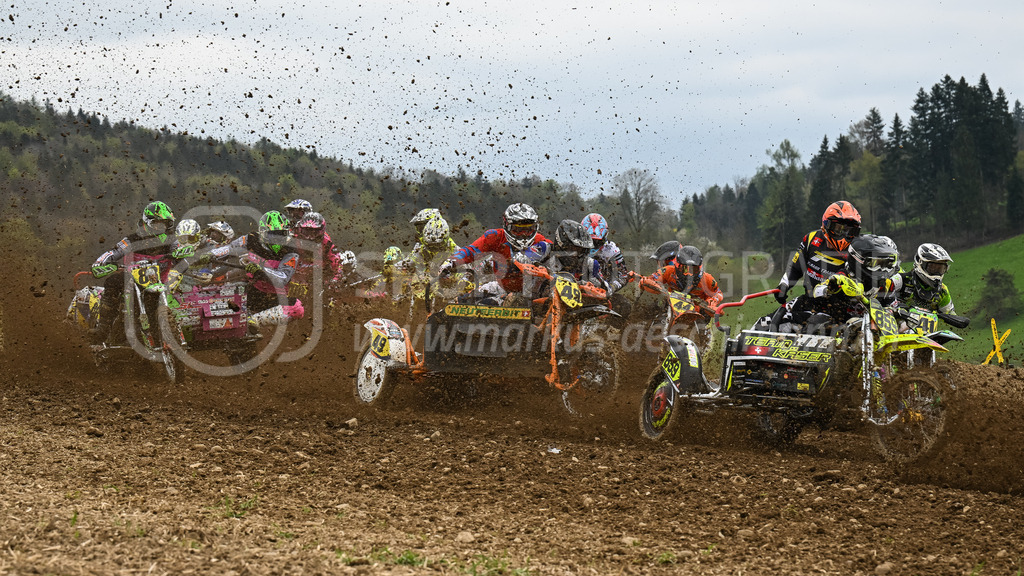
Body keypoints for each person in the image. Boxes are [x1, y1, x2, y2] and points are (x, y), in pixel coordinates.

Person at [88, 201, 176, 343]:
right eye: (156, 224)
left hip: (162, 284)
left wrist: (184, 252)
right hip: (134, 281)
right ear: (146, 222)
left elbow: (180, 250)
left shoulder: (170, 241)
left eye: (164, 224)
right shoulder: (132, 240)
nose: (160, 227)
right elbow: (114, 252)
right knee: (112, 281)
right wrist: (100, 263)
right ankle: (103, 328)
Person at [780, 234, 900, 334]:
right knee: (818, 323)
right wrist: (831, 287)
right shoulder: (844, 276)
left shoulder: (887, 284)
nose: (883, 270)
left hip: (869, 326)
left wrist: (898, 312)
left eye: (887, 265)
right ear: (859, 260)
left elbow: (893, 307)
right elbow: (817, 290)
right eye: (877, 263)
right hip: (839, 324)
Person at [209, 211, 303, 328]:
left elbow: (283, 277)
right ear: (263, 233)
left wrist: (260, 270)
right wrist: (210, 255)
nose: (277, 238)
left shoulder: (291, 251)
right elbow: (230, 248)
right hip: (251, 291)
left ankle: (253, 321)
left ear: (287, 232)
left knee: (297, 308)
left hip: (275, 298)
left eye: (281, 233)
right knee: (223, 291)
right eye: (272, 234)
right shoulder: (251, 239)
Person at [441, 203, 551, 298]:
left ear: (535, 228)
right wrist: (451, 262)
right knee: (464, 300)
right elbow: (471, 251)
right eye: (518, 230)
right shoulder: (495, 237)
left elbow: (558, 253)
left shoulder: (541, 242)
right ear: (507, 226)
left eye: (528, 230)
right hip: (502, 289)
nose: (523, 235)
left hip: (532, 293)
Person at [775, 201, 862, 305]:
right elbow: (795, 268)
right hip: (809, 302)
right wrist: (784, 284)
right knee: (766, 321)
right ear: (827, 225)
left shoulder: (857, 250)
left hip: (841, 308)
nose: (843, 234)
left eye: (849, 231)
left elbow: (857, 279)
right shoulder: (811, 239)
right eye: (838, 229)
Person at [640, 245, 723, 314]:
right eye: (685, 269)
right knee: (651, 311)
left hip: (697, 313)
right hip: (670, 308)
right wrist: (650, 284)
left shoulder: (707, 279)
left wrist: (711, 302)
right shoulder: (668, 271)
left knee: (705, 316)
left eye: (693, 269)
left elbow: (718, 293)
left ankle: (703, 332)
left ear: (699, 268)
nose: (689, 274)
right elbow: (650, 280)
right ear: (677, 266)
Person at [581, 213, 628, 294]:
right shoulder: (576, 246)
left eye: (597, 241)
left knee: (623, 304)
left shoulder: (611, 250)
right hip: (576, 285)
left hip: (602, 289)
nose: (593, 243)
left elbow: (623, 276)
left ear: (605, 235)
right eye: (590, 240)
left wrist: (612, 287)